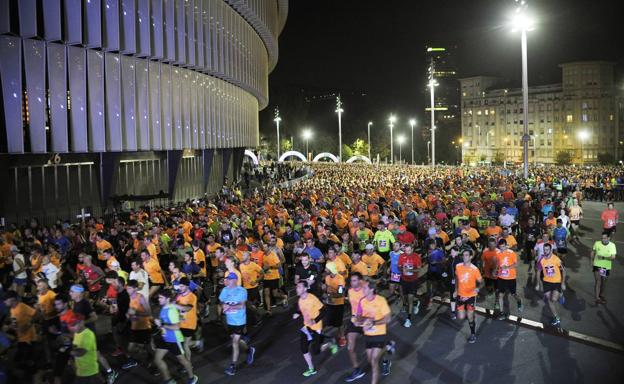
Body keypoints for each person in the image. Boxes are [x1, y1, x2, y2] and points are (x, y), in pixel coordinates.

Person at [293, 280, 338, 377]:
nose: (297, 289)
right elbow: (300, 309)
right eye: (297, 287)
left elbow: (324, 311)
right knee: (304, 348)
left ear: (305, 289)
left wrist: (315, 320)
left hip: (316, 327)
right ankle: (311, 369)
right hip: (306, 327)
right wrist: (297, 313)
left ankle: (330, 343)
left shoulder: (312, 299)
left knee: (316, 351)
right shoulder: (300, 299)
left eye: (299, 287)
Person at [153, 289, 198, 384]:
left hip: (174, 339)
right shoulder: (163, 308)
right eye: (158, 297)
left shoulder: (171, 310)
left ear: (168, 299)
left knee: (183, 361)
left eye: (161, 297)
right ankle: (168, 380)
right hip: (164, 338)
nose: (159, 299)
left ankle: (192, 377)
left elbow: (176, 327)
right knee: (157, 359)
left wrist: (161, 325)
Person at [353, 280, 392, 383]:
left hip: (379, 334)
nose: (362, 290)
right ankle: (388, 346)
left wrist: (373, 323)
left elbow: (388, 319)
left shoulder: (381, 300)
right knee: (371, 361)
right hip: (368, 335)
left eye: (365, 288)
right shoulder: (362, 301)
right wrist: (357, 322)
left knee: (374, 361)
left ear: (372, 289)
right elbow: (358, 316)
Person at [219, 272, 255, 375]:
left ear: (235, 280)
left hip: (239, 321)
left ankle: (232, 366)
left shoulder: (242, 291)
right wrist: (223, 305)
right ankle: (249, 350)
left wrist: (229, 307)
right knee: (237, 341)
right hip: (229, 320)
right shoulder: (225, 290)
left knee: (235, 342)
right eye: (227, 279)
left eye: (229, 279)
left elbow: (241, 306)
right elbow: (221, 301)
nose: (227, 281)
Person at [454, 249, 483, 343]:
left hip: (471, 296)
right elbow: (457, 279)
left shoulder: (474, 269)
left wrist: (478, 288)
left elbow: (481, 282)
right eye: (463, 255)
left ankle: (473, 334)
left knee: (469, 317)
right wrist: (456, 290)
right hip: (460, 295)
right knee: (461, 317)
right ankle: (471, 316)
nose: (464, 257)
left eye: (466, 255)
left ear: (471, 257)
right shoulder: (458, 266)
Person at [535, 243, 566, 326]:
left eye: (547, 250)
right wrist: (538, 283)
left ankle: (561, 294)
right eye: (544, 250)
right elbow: (538, 272)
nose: (545, 251)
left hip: (556, 282)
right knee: (549, 300)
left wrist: (563, 283)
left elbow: (563, 271)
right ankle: (556, 317)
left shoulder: (556, 259)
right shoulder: (541, 259)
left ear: (551, 250)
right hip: (546, 282)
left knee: (554, 299)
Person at [344, 272, 366, 382]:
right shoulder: (350, 291)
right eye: (351, 281)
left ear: (360, 281)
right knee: (350, 347)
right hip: (354, 321)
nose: (352, 283)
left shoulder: (366, 291)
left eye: (354, 280)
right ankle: (357, 370)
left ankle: (386, 359)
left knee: (375, 347)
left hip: (367, 321)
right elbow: (352, 305)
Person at [67, 314, 100, 384]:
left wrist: (69, 352)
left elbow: (81, 352)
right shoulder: (77, 333)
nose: (72, 328)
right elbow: (76, 346)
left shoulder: (88, 334)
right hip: (80, 371)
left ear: (82, 322)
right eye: (71, 325)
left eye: (74, 324)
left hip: (89, 372)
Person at [494, 239, 523, 320]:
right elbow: (497, 263)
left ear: (506, 245)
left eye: (503, 247)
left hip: (511, 278)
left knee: (514, 294)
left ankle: (519, 301)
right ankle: (502, 313)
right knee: (500, 295)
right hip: (501, 278)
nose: (502, 249)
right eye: (500, 247)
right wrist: (496, 270)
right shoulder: (498, 253)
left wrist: (507, 267)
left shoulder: (511, 253)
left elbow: (516, 264)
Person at [323, 262, 347, 346]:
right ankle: (326, 338)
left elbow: (341, 293)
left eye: (326, 268)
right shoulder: (327, 277)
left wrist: (329, 295)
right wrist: (324, 290)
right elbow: (326, 288)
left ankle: (342, 337)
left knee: (339, 323)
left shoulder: (340, 278)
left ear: (331, 269)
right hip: (329, 303)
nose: (325, 269)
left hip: (338, 303)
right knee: (328, 321)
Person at [398, 244, 422, 327]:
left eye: (409, 250)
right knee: (404, 297)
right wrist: (402, 269)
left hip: (413, 281)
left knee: (410, 298)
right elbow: (399, 267)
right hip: (404, 280)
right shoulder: (401, 256)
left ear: (412, 249)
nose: (407, 252)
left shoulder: (416, 257)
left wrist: (410, 270)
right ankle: (416, 302)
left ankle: (408, 319)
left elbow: (419, 268)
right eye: (406, 250)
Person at [591, 232, 617, 304]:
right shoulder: (597, 243)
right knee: (598, 281)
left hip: (605, 267)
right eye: (602, 238)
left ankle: (601, 295)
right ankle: (597, 298)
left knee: (603, 282)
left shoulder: (612, 245)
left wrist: (603, 257)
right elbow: (593, 252)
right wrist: (592, 261)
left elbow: (613, 258)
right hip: (597, 265)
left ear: (609, 238)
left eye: (604, 238)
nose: (603, 239)